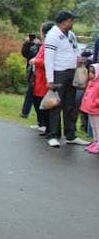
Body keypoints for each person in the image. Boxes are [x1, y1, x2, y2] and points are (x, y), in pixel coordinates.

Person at [43, 11, 89, 147]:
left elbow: (75, 50)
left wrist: (78, 59)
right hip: (58, 73)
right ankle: (53, 135)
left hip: (71, 72)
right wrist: (50, 79)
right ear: (64, 22)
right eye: (71, 20)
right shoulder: (52, 35)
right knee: (55, 104)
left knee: (70, 105)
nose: (72, 23)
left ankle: (70, 135)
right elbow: (48, 58)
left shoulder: (71, 35)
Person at [29, 22, 55, 135]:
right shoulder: (44, 44)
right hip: (37, 77)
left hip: (44, 78)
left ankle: (46, 125)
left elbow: (48, 62)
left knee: (43, 102)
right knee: (36, 100)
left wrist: (36, 61)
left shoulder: (50, 45)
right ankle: (42, 123)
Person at [20, 32, 42, 119]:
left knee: (33, 93)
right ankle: (25, 112)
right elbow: (25, 54)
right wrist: (27, 43)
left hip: (39, 72)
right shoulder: (30, 45)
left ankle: (39, 118)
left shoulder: (42, 46)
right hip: (32, 71)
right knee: (30, 92)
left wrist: (39, 45)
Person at [79, 64, 99, 153]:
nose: (90, 74)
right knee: (93, 126)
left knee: (97, 126)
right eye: (90, 72)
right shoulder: (91, 82)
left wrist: (95, 103)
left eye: (93, 72)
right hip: (90, 109)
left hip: (96, 109)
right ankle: (95, 141)